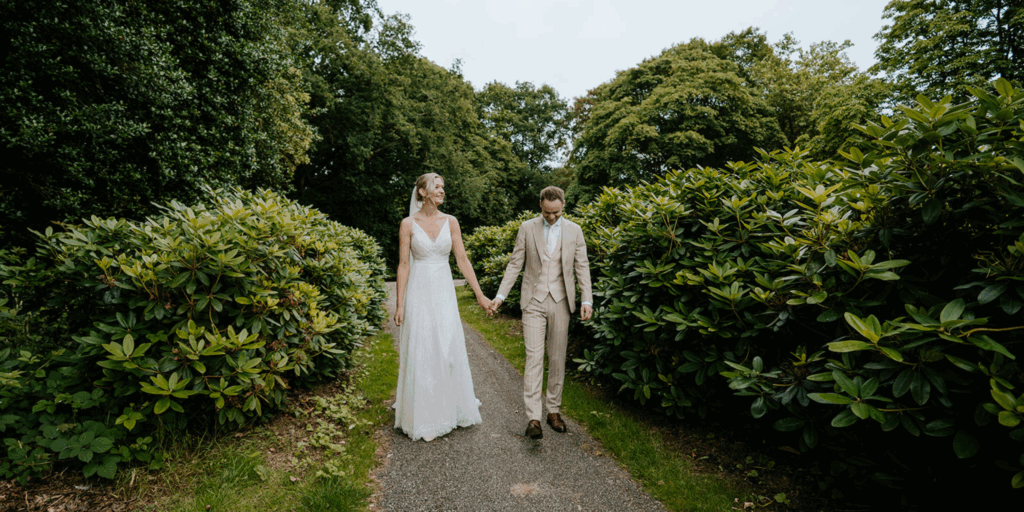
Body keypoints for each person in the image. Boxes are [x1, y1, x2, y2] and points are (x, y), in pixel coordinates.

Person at [393, 173, 492, 442]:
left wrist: (480, 295)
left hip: (444, 292)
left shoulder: (451, 222)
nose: (442, 191)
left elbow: (462, 259)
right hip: (419, 292)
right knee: (423, 348)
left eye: (443, 187)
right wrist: (400, 304)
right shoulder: (408, 224)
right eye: (437, 187)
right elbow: (404, 265)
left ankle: (451, 406)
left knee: (448, 347)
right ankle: (424, 415)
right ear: (422, 192)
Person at [491, 186, 592, 439]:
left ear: (563, 205)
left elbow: (582, 266)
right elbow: (515, 264)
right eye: (547, 212)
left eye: (556, 212)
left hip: (561, 301)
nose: (552, 217)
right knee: (534, 358)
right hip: (533, 301)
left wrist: (586, 299)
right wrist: (501, 296)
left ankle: (553, 411)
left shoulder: (575, 230)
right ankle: (533, 418)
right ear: (540, 205)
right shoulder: (527, 228)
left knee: (557, 358)